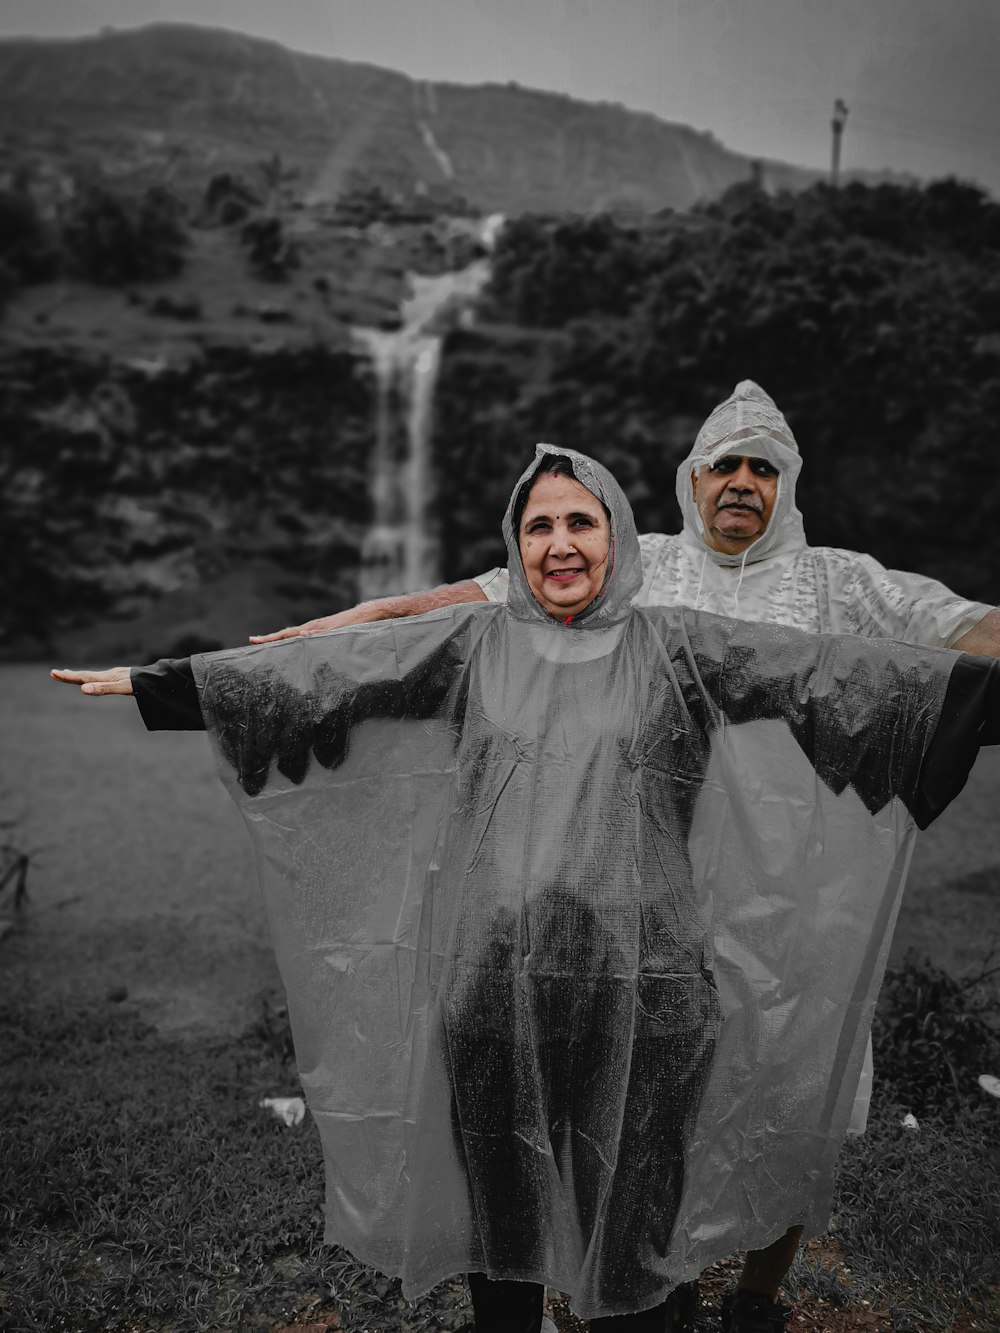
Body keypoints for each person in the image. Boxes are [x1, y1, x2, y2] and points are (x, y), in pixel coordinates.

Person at [53, 445, 1000, 1333]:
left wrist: (981, 699)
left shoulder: (683, 648)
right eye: (538, 526)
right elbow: (326, 677)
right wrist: (157, 685)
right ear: (517, 545)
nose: (559, 544)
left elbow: (845, 681)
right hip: (492, 988)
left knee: (633, 1237)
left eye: (579, 524)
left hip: (652, 992)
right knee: (502, 1230)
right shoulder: (470, 647)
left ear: (617, 538)